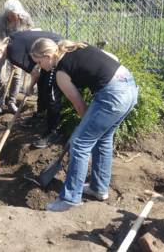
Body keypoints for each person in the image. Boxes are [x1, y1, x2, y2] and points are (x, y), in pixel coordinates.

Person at [29, 38, 138, 212]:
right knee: (103, 138)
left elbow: (79, 105)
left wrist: (84, 129)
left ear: (49, 56)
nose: (40, 67)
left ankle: (69, 199)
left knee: (80, 144)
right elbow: (113, 58)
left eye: (39, 62)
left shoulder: (61, 73)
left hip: (113, 95)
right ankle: (98, 188)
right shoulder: (76, 47)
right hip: (129, 86)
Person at [0, 30, 63, 148]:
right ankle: (40, 115)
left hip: (54, 51)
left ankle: (53, 131)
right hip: (49, 46)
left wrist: (29, 87)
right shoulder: (10, 39)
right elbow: (34, 32)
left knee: (50, 92)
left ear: (1, 50)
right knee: (42, 83)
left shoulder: (13, 54)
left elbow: (35, 73)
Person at [0, 0, 34, 114]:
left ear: (19, 13)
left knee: (17, 74)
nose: (12, 17)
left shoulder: (25, 18)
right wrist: (10, 56)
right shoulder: (1, 21)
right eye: (10, 15)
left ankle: (11, 102)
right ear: (7, 14)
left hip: (20, 48)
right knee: (0, 75)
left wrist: (16, 58)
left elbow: (31, 33)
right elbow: (3, 41)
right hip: (3, 48)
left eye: (15, 15)